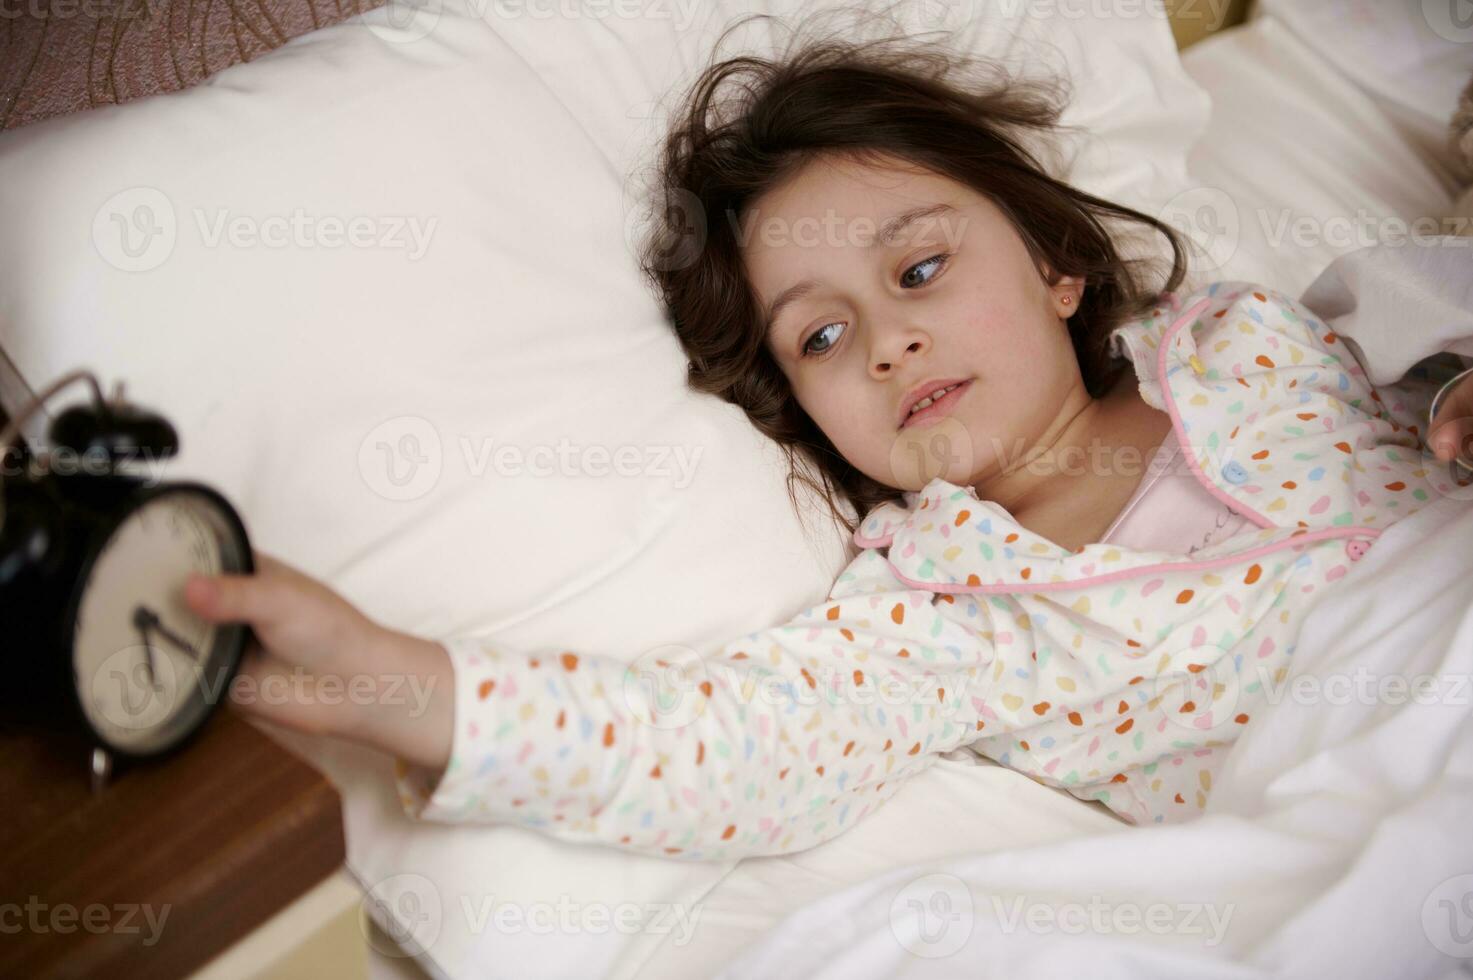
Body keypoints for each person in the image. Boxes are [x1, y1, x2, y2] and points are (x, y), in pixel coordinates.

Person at [182, 12, 1473, 860]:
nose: (885, 346)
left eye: (917, 271)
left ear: (1055, 267)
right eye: (818, 338)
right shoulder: (945, 616)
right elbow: (723, 746)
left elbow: (1432, 305)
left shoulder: (1250, 341)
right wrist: (396, 680)